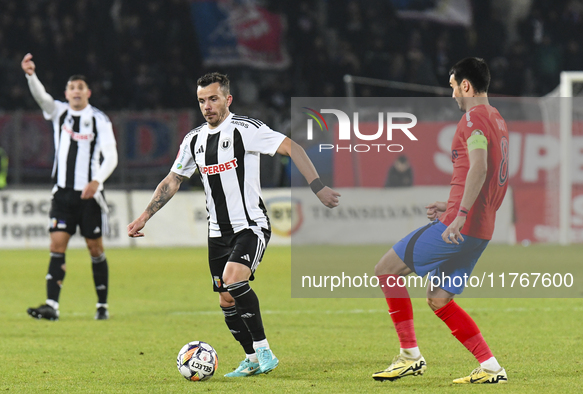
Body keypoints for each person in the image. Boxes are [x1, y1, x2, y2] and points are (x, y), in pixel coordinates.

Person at [127, 72, 340, 377]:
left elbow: (294, 148)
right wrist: (144, 216)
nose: (207, 106)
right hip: (217, 232)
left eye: (213, 99)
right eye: (201, 100)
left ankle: (265, 350)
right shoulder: (194, 140)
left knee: (233, 279)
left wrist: (318, 186)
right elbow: (173, 179)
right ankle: (251, 358)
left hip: (250, 225)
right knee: (226, 299)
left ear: (227, 99)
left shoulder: (246, 129)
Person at [372, 58, 509, 384]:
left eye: (452, 87)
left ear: (465, 85)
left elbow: (479, 168)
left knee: (386, 269)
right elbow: (492, 178)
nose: (452, 96)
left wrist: (458, 215)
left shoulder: (473, 119)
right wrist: (453, 204)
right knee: (438, 298)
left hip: (460, 227)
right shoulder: (497, 119)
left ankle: (410, 356)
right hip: (481, 229)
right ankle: (490, 367)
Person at [22, 53, 118, 321]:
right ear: (66, 93)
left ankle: (102, 306)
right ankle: (51, 305)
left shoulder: (99, 120)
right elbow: (41, 97)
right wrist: (31, 75)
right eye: (71, 88)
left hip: (90, 195)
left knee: (95, 249)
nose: (76, 92)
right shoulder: (59, 113)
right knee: (57, 244)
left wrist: (97, 180)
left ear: (88, 92)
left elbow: (111, 155)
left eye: (80, 88)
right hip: (63, 194)